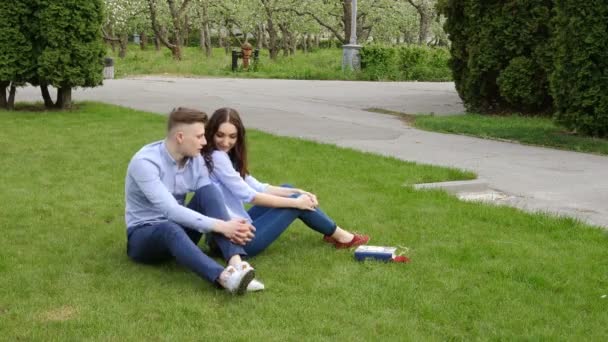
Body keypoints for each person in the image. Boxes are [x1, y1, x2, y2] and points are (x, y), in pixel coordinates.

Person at [201, 107, 370, 260]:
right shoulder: (217, 157)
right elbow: (251, 196)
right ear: (211, 133)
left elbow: (258, 187)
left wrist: (299, 192)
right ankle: (343, 237)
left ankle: (334, 234)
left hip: (228, 234)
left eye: (232, 136)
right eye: (220, 135)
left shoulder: (223, 157)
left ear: (239, 137)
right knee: (295, 205)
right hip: (237, 241)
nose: (226, 142)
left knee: (288, 189)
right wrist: (296, 202)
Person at [124, 107, 259, 295]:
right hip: (143, 237)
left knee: (209, 192)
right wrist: (222, 226)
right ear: (180, 137)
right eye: (199, 136)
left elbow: (211, 199)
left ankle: (237, 262)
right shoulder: (145, 163)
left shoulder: (195, 159)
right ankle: (225, 279)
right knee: (169, 228)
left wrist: (231, 224)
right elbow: (170, 210)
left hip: (178, 229)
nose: (205, 142)